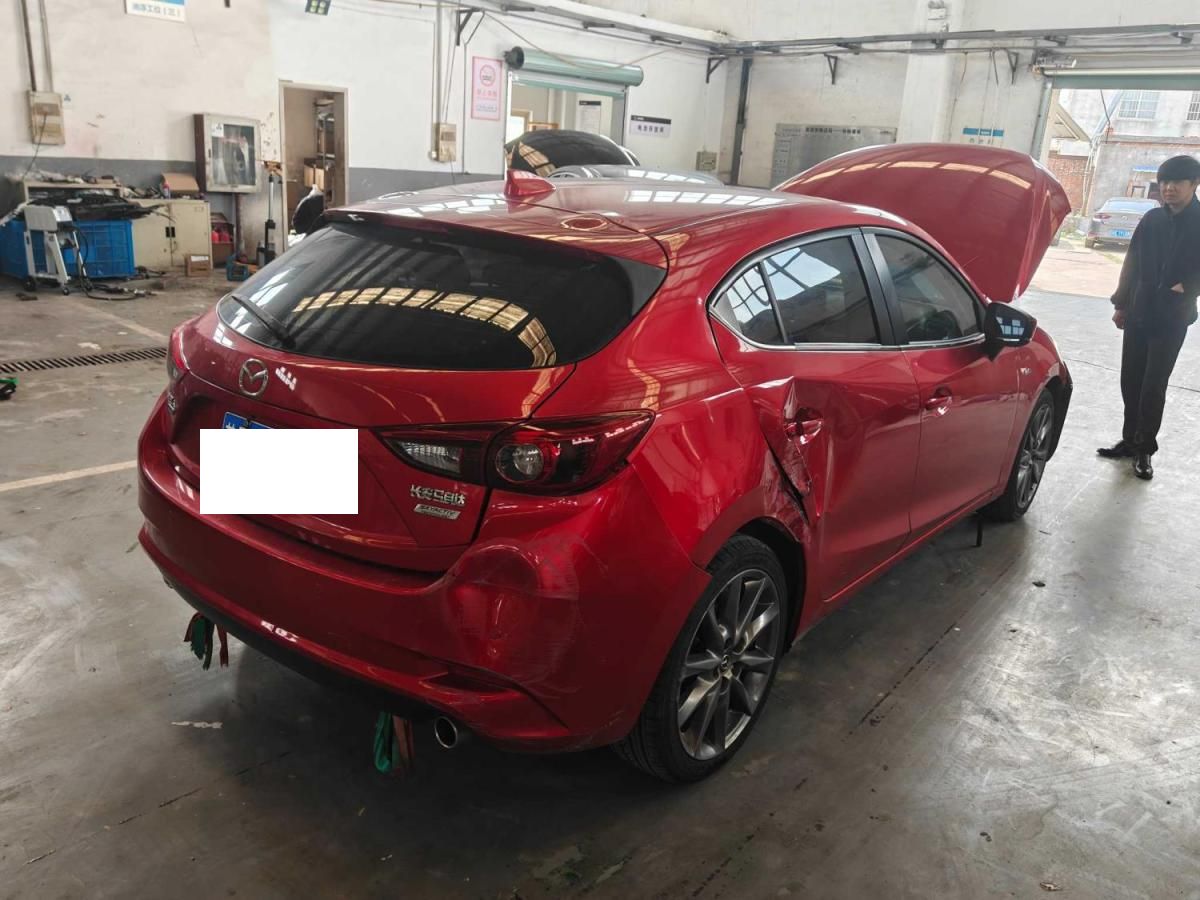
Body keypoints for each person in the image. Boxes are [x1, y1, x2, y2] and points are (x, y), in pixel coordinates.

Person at [1097, 154, 1200, 480]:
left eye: (1177, 182)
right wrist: (1121, 304)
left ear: (1194, 184)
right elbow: (1132, 262)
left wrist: (1189, 286)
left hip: (1172, 317)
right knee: (1131, 379)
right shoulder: (1152, 219)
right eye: (1164, 182)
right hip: (1139, 311)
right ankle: (1130, 441)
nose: (1169, 188)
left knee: (1153, 385)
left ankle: (1144, 449)